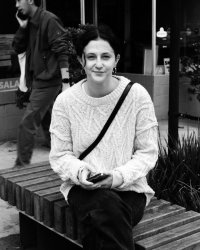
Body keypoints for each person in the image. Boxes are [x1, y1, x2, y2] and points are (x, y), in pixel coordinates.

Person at [49, 25, 158, 250]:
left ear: (116, 59)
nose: (98, 63)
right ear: (81, 60)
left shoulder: (137, 96)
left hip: (129, 190)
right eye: (91, 57)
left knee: (105, 218)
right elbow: (60, 155)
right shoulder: (65, 102)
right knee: (105, 208)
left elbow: (147, 152)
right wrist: (81, 172)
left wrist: (117, 177)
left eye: (105, 56)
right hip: (82, 189)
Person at [12, 0, 70, 168]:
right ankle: (64, 160)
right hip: (37, 80)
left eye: (18, 0)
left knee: (27, 124)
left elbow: (62, 50)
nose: (16, 5)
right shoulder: (30, 23)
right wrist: (22, 27)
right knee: (50, 123)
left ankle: (20, 169)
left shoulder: (49, 20)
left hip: (48, 81)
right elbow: (17, 48)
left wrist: (65, 82)